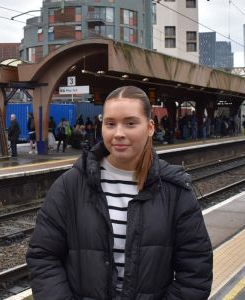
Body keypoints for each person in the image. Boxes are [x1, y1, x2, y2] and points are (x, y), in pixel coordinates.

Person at [26, 86, 213, 299]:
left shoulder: (175, 191)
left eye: (131, 123)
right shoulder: (70, 186)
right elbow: (43, 256)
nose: (119, 133)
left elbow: (195, 271)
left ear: (150, 127)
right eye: (110, 124)